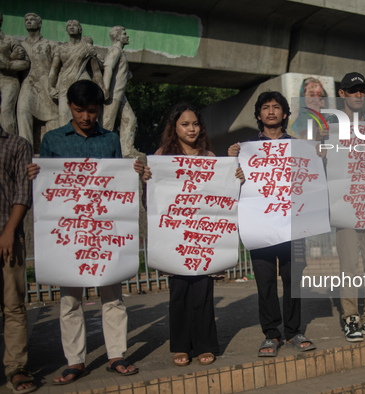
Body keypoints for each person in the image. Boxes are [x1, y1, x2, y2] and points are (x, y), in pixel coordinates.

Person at [27, 80, 143, 384]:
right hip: (69, 233)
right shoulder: (52, 140)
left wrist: (133, 175)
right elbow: (47, 188)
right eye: (80, 110)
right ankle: (75, 361)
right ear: (69, 107)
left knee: (113, 295)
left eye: (92, 111)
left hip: (104, 231)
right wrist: (35, 175)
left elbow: (117, 182)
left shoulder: (110, 140)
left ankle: (116, 354)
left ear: (99, 110)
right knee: (69, 300)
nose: (86, 117)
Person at [141, 102, 244, 366]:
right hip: (175, 238)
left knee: (202, 291)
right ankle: (181, 346)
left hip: (201, 238)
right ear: (174, 127)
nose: (191, 129)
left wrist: (236, 179)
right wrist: (146, 182)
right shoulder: (162, 156)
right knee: (178, 294)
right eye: (185, 124)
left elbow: (221, 200)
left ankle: (205, 345)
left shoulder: (209, 157)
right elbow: (153, 203)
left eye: (195, 124)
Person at [228, 91, 316, 357]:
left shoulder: (300, 147)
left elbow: (310, 181)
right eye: (265, 107)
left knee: (293, 278)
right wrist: (232, 161)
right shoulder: (244, 151)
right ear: (258, 115)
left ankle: (293, 331)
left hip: (293, 225)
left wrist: (317, 157)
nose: (271, 111)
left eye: (276, 107)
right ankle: (271, 334)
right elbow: (231, 186)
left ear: (285, 114)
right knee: (265, 281)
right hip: (260, 225)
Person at [326, 72, 365, 342]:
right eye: (353, 90)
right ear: (342, 94)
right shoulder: (328, 127)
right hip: (346, 208)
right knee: (349, 267)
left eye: (362, 90)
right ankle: (351, 319)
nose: (359, 95)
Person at [0, 92, 37, 394]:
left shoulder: (16, 145)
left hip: (8, 237)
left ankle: (16, 367)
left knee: (13, 305)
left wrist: (10, 230)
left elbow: (23, 191)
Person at [48, 20, 104, 127]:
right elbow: (54, 70)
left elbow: (97, 68)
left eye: (74, 25)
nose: (71, 27)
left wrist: (93, 55)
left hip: (83, 80)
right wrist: (50, 86)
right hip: (65, 82)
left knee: (86, 112)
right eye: (69, 25)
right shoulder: (61, 48)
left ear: (80, 29)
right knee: (64, 114)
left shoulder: (87, 47)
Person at [17, 13, 59, 147]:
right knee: (22, 110)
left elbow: (57, 67)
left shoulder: (50, 44)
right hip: (28, 84)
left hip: (46, 83)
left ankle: (54, 150)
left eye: (32, 20)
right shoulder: (20, 45)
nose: (28, 22)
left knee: (53, 116)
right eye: (26, 20)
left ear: (39, 24)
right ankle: (25, 149)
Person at [102, 26, 139, 158]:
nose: (127, 36)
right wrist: (105, 89)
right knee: (107, 124)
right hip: (113, 94)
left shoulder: (121, 52)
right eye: (124, 33)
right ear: (117, 37)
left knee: (130, 119)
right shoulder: (114, 50)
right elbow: (108, 68)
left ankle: (127, 150)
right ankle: (102, 151)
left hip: (120, 94)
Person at [0, 12, 30, 135]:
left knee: (6, 111)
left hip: (8, 80)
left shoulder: (10, 40)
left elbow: (25, 63)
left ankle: (10, 143)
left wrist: (7, 65)